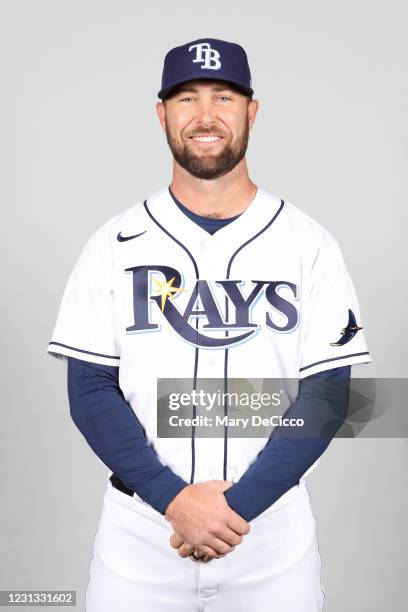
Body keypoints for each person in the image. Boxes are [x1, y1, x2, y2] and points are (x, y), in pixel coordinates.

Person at [47, 38, 372, 611]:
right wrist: (174, 501)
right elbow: (90, 391)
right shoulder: (113, 246)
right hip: (142, 529)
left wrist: (236, 508)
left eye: (224, 97)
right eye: (186, 98)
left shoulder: (308, 244)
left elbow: (327, 395)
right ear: (161, 113)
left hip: (270, 530)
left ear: (251, 111)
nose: (204, 116)